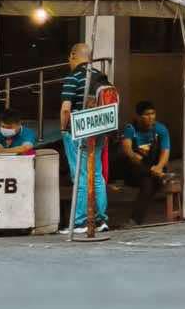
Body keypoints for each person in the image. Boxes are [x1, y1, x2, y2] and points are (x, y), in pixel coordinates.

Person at [58, 41, 113, 236]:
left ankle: (80, 221)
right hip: (99, 130)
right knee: (96, 175)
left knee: (80, 175)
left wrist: (64, 129)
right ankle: (100, 220)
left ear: (73, 56)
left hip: (78, 130)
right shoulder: (101, 76)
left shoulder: (74, 77)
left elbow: (66, 108)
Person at [116, 102, 172, 225]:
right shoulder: (130, 129)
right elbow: (129, 153)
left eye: (153, 113)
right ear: (138, 116)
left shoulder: (160, 129)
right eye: (147, 114)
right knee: (150, 180)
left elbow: (165, 152)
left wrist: (159, 167)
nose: (151, 117)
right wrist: (151, 169)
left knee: (148, 183)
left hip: (154, 169)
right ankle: (161, 177)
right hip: (135, 170)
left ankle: (134, 221)